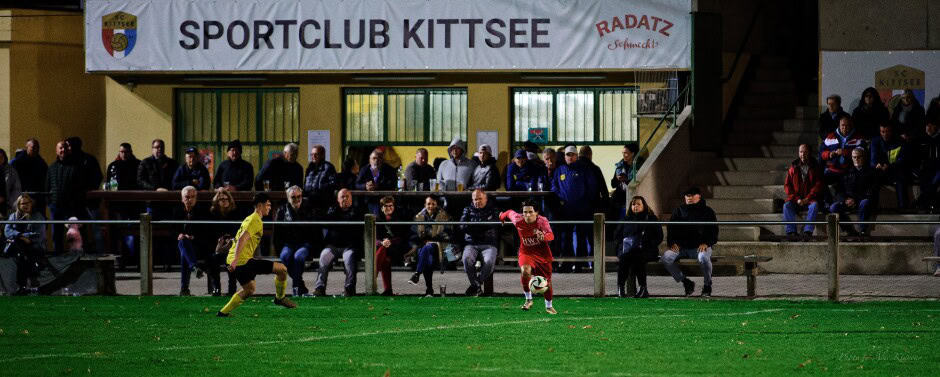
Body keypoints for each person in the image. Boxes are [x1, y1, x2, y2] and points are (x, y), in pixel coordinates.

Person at [217, 193, 297, 317]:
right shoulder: (255, 220)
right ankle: (280, 298)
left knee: (249, 289)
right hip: (242, 261)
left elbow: (239, 238)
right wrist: (235, 260)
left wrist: (232, 254)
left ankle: (223, 312)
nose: (270, 208)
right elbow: (243, 238)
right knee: (282, 270)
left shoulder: (250, 218)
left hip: (236, 260)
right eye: (268, 205)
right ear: (260, 205)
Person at [499, 200, 557, 314]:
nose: (528, 215)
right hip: (526, 252)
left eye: (531, 212)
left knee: (547, 283)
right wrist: (502, 217)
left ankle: (549, 306)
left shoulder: (542, 221)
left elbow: (551, 235)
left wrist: (544, 237)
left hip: (542, 255)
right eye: (525, 212)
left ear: (537, 213)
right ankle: (528, 299)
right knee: (525, 271)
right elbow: (509, 212)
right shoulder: (518, 220)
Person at [663, 187, 718, 297]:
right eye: (687, 195)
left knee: (703, 258)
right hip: (682, 247)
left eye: (692, 195)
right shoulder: (679, 210)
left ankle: (707, 286)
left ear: (699, 196)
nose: (689, 197)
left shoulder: (708, 211)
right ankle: (686, 282)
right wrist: (672, 243)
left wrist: (706, 243)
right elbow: (671, 228)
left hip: (700, 247)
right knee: (666, 258)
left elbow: (713, 230)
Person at [552, 146, 599, 272]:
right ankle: (567, 264)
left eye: (572, 155)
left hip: (582, 209)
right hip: (566, 209)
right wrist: (561, 199)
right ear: (564, 156)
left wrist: (585, 201)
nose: (570, 157)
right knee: (566, 237)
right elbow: (554, 186)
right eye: (568, 155)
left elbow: (592, 187)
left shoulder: (585, 169)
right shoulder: (560, 170)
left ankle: (580, 264)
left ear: (577, 156)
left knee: (581, 237)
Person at [315, 189, 363, 297]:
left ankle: (349, 288)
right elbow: (325, 223)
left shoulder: (357, 211)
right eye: (342, 197)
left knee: (349, 258)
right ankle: (319, 287)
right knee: (324, 256)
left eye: (347, 196)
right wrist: (331, 214)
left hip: (349, 247)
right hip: (333, 246)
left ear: (351, 199)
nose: (345, 199)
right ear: (338, 199)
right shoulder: (332, 210)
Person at [616, 196, 663, 298]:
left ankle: (643, 288)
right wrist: (621, 247)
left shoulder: (651, 218)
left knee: (638, 258)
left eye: (638, 204)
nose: (635, 206)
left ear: (644, 205)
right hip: (628, 250)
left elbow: (659, 237)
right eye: (633, 204)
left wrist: (647, 244)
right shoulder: (626, 219)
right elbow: (617, 236)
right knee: (623, 258)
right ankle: (620, 287)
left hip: (647, 250)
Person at [274, 185, 316, 296]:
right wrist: (279, 248)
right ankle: (300, 284)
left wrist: (313, 247)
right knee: (284, 256)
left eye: (299, 196)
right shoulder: (282, 210)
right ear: (288, 198)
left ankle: (296, 287)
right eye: (293, 197)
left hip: (304, 243)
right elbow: (277, 233)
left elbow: (314, 230)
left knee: (298, 256)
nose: (297, 199)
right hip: (288, 243)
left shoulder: (309, 208)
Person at [459, 189, 500, 296]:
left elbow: (495, 225)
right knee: (466, 259)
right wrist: (482, 227)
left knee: (489, 262)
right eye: (475, 199)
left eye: (480, 199)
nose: (477, 201)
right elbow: (462, 226)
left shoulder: (494, 209)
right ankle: (477, 286)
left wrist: (473, 227)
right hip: (471, 243)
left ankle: (474, 285)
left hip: (489, 243)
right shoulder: (467, 209)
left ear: (486, 199)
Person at [830, 148, 877, 241]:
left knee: (865, 203)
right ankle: (849, 230)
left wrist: (855, 200)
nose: (856, 159)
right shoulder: (847, 171)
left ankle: (862, 231)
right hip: (848, 201)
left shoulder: (871, 172)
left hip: (862, 200)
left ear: (864, 158)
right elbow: (839, 190)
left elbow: (871, 191)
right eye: (854, 157)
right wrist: (845, 200)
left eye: (859, 157)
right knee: (833, 207)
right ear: (851, 158)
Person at [408, 195, 451, 296]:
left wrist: (429, 237)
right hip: (422, 248)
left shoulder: (444, 216)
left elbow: (448, 234)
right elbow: (413, 235)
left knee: (429, 247)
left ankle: (417, 274)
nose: (431, 206)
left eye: (433, 204)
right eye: (428, 204)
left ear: (437, 204)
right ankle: (429, 290)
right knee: (427, 259)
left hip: (440, 248)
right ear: (425, 205)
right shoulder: (419, 217)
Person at [4, 194, 46, 295]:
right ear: (19, 205)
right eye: (23, 203)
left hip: (34, 245)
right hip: (20, 246)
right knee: (22, 254)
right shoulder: (13, 216)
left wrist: (19, 236)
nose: (26, 205)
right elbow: (7, 231)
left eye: (28, 203)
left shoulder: (38, 216)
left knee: (23, 255)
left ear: (32, 204)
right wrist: (22, 236)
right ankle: (31, 285)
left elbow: (38, 235)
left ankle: (22, 286)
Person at [783, 144, 825, 241]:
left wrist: (807, 198)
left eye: (805, 152)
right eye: (801, 152)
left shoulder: (815, 167)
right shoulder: (793, 168)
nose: (803, 154)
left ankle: (807, 232)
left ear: (809, 153)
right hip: (797, 200)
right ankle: (791, 232)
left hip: (809, 199)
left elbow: (818, 185)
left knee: (814, 206)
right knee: (787, 205)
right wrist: (797, 199)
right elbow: (787, 185)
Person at [46, 140, 81, 253]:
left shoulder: (76, 167)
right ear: (56, 151)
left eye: (65, 148)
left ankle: (74, 257)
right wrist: (50, 203)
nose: (63, 150)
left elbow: (80, 187)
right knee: (57, 234)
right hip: (55, 206)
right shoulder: (51, 168)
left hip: (71, 206)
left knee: (73, 234)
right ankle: (58, 257)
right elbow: (47, 186)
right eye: (60, 148)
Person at [174, 186, 208, 296]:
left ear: (196, 199)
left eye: (193, 197)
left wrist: (192, 236)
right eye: (187, 197)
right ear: (182, 199)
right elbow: (171, 228)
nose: (190, 200)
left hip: (198, 244)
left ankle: (184, 289)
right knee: (183, 243)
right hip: (181, 244)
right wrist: (179, 234)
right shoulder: (177, 211)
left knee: (184, 253)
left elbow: (205, 231)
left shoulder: (202, 211)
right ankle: (193, 267)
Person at [373, 196, 411, 296]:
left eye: (391, 205)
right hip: (383, 249)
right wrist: (382, 242)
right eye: (386, 206)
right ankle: (388, 290)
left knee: (383, 251)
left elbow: (401, 237)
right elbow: (374, 238)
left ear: (394, 207)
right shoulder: (376, 220)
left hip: (396, 249)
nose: (389, 208)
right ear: (381, 208)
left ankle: (372, 279)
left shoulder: (398, 219)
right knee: (385, 257)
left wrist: (389, 241)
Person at [207, 189, 241, 296]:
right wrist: (220, 242)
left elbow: (239, 231)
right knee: (212, 259)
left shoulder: (235, 213)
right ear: (217, 201)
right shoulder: (213, 214)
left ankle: (232, 290)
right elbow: (211, 233)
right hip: (217, 247)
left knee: (231, 260)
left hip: (232, 246)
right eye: (221, 199)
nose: (224, 201)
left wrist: (230, 240)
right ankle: (216, 289)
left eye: (226, 199)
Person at [870, 123, 911, 209]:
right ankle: (872, 208)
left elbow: (902, 160)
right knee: (872, 181)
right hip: (880, 170)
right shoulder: (875, 141)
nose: (885, 134)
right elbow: (873, 159)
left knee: (901, 181)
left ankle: (903, 208)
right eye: (883, 131)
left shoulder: (900, 141)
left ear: (891, 131)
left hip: (895, 170)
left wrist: (889, 166)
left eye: (887, 131)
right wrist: (877, 165)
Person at [820, 116, 866, 184]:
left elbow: (862, 153)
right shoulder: (830, 136)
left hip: (850, 170)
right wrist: (829, 154)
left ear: (851, 125)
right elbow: (821, 152)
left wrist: (846, 152)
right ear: (839, 125)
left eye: (847, 125)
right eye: (843, 125)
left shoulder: (858, 138)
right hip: (832, 170)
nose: (845, 128)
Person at [11, 138, 47, 214]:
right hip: (21, 198)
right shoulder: (16, 163)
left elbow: (45, 181)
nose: (36, 149)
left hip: (37, 199)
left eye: (38, 147)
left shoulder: (42, 163)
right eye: (33, 147)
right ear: (27, 147)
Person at [611, 143, 644, 217]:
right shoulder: (620, 165)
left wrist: (626, 180)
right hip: (619, 197)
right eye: (623, 153)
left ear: (632, 154)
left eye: (626, 153)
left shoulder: (638, 166)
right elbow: (613, 184)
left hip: (631, 196)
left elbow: (639, 183)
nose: (623, 155)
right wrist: (617, 179)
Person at [303, 144, 338, 211]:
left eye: (316, 154)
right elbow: (305, 183)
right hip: (309, 202)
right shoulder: (309, 168)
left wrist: (320, 188)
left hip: (323, 203)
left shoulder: (328, 167)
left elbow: (334, 184)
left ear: (322, 155)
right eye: (312, 154)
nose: (313, 156)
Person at [915, 120, 940, 211]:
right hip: (926, 168)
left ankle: (923, 201)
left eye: (931, 125)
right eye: (926, 126)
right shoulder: (921, 139)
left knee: (934, 181)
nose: (928, 128)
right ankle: (928, 203)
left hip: (937, 168)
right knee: (925, 179)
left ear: (936, 126)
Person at [0, 149, 23, 216]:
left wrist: (9, 202)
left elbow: (17, 189)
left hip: (7, 206)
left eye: (1, 157)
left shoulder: (11, 171)